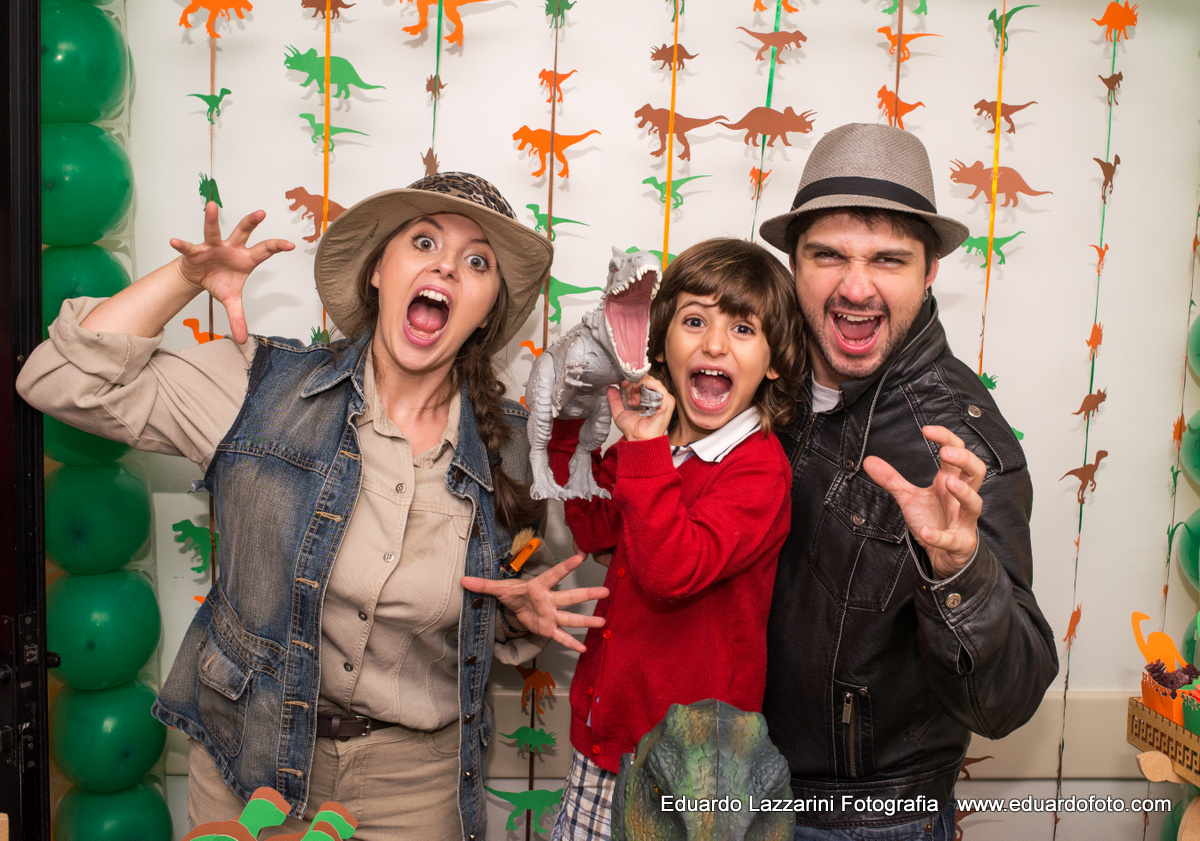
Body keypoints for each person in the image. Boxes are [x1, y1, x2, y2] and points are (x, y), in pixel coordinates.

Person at [16, 172, 610, 840]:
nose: (447, 264)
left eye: (477, 261)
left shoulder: (507, 449)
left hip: (412, 788)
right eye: (423, 241)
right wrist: (185, 277)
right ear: (379, 271)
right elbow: (56, 378)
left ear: (485, 309)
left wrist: (509, 614)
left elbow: (492, 613)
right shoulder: (262, 388)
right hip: (251, 766)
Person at [756, 123, 1059, 840]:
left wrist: (960, 567)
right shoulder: (759, 378)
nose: (855, 286)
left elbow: (1008, 699)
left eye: (887, 260)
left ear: (928, 273)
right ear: (794, 266)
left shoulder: (960, 446)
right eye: (827, 255)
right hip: (737, 785)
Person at [541, 238, 805, 840]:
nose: (714, 344)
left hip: (693, 771)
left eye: (742, 329)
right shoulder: (656, 444)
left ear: (772, 362)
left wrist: (643, 450)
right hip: (606, 741)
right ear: (660, 345)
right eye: (694, 321)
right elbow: (593, 529)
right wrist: (571, 419)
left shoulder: (759, 470)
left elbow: (670, 570)